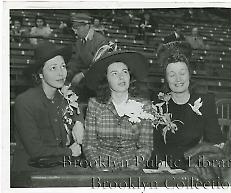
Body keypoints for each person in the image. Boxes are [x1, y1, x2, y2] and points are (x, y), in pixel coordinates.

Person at [150, 50, 227, 180]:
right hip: (163, 169)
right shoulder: (158, 104)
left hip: (194, 170)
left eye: (182, 73)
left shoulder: (205, 103)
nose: (178, 79)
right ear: (166, 78)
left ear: (189, 75)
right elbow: (155, 144)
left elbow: (215, 141)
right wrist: (161, 164)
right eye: (172, 74)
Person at [12, 42, 84, 171]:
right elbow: (36, 150)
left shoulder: (65, 99)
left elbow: (76, 125)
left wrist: (79, 123)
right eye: (53, 68)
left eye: (63, 66)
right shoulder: (25, 101)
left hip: (59, 167)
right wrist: (68, 152)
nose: (61, 73)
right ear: (40, 74)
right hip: (30, 170)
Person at [82, 48, 153, 171]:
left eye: (124, 72)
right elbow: (90, 144)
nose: (121, 77)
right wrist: (98, 166)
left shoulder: (145, 105)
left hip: (132, 170)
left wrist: (134, 167)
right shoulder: (94, 105)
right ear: (106, 79)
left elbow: (146, 146)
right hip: (102, 169)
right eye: (114, 73)